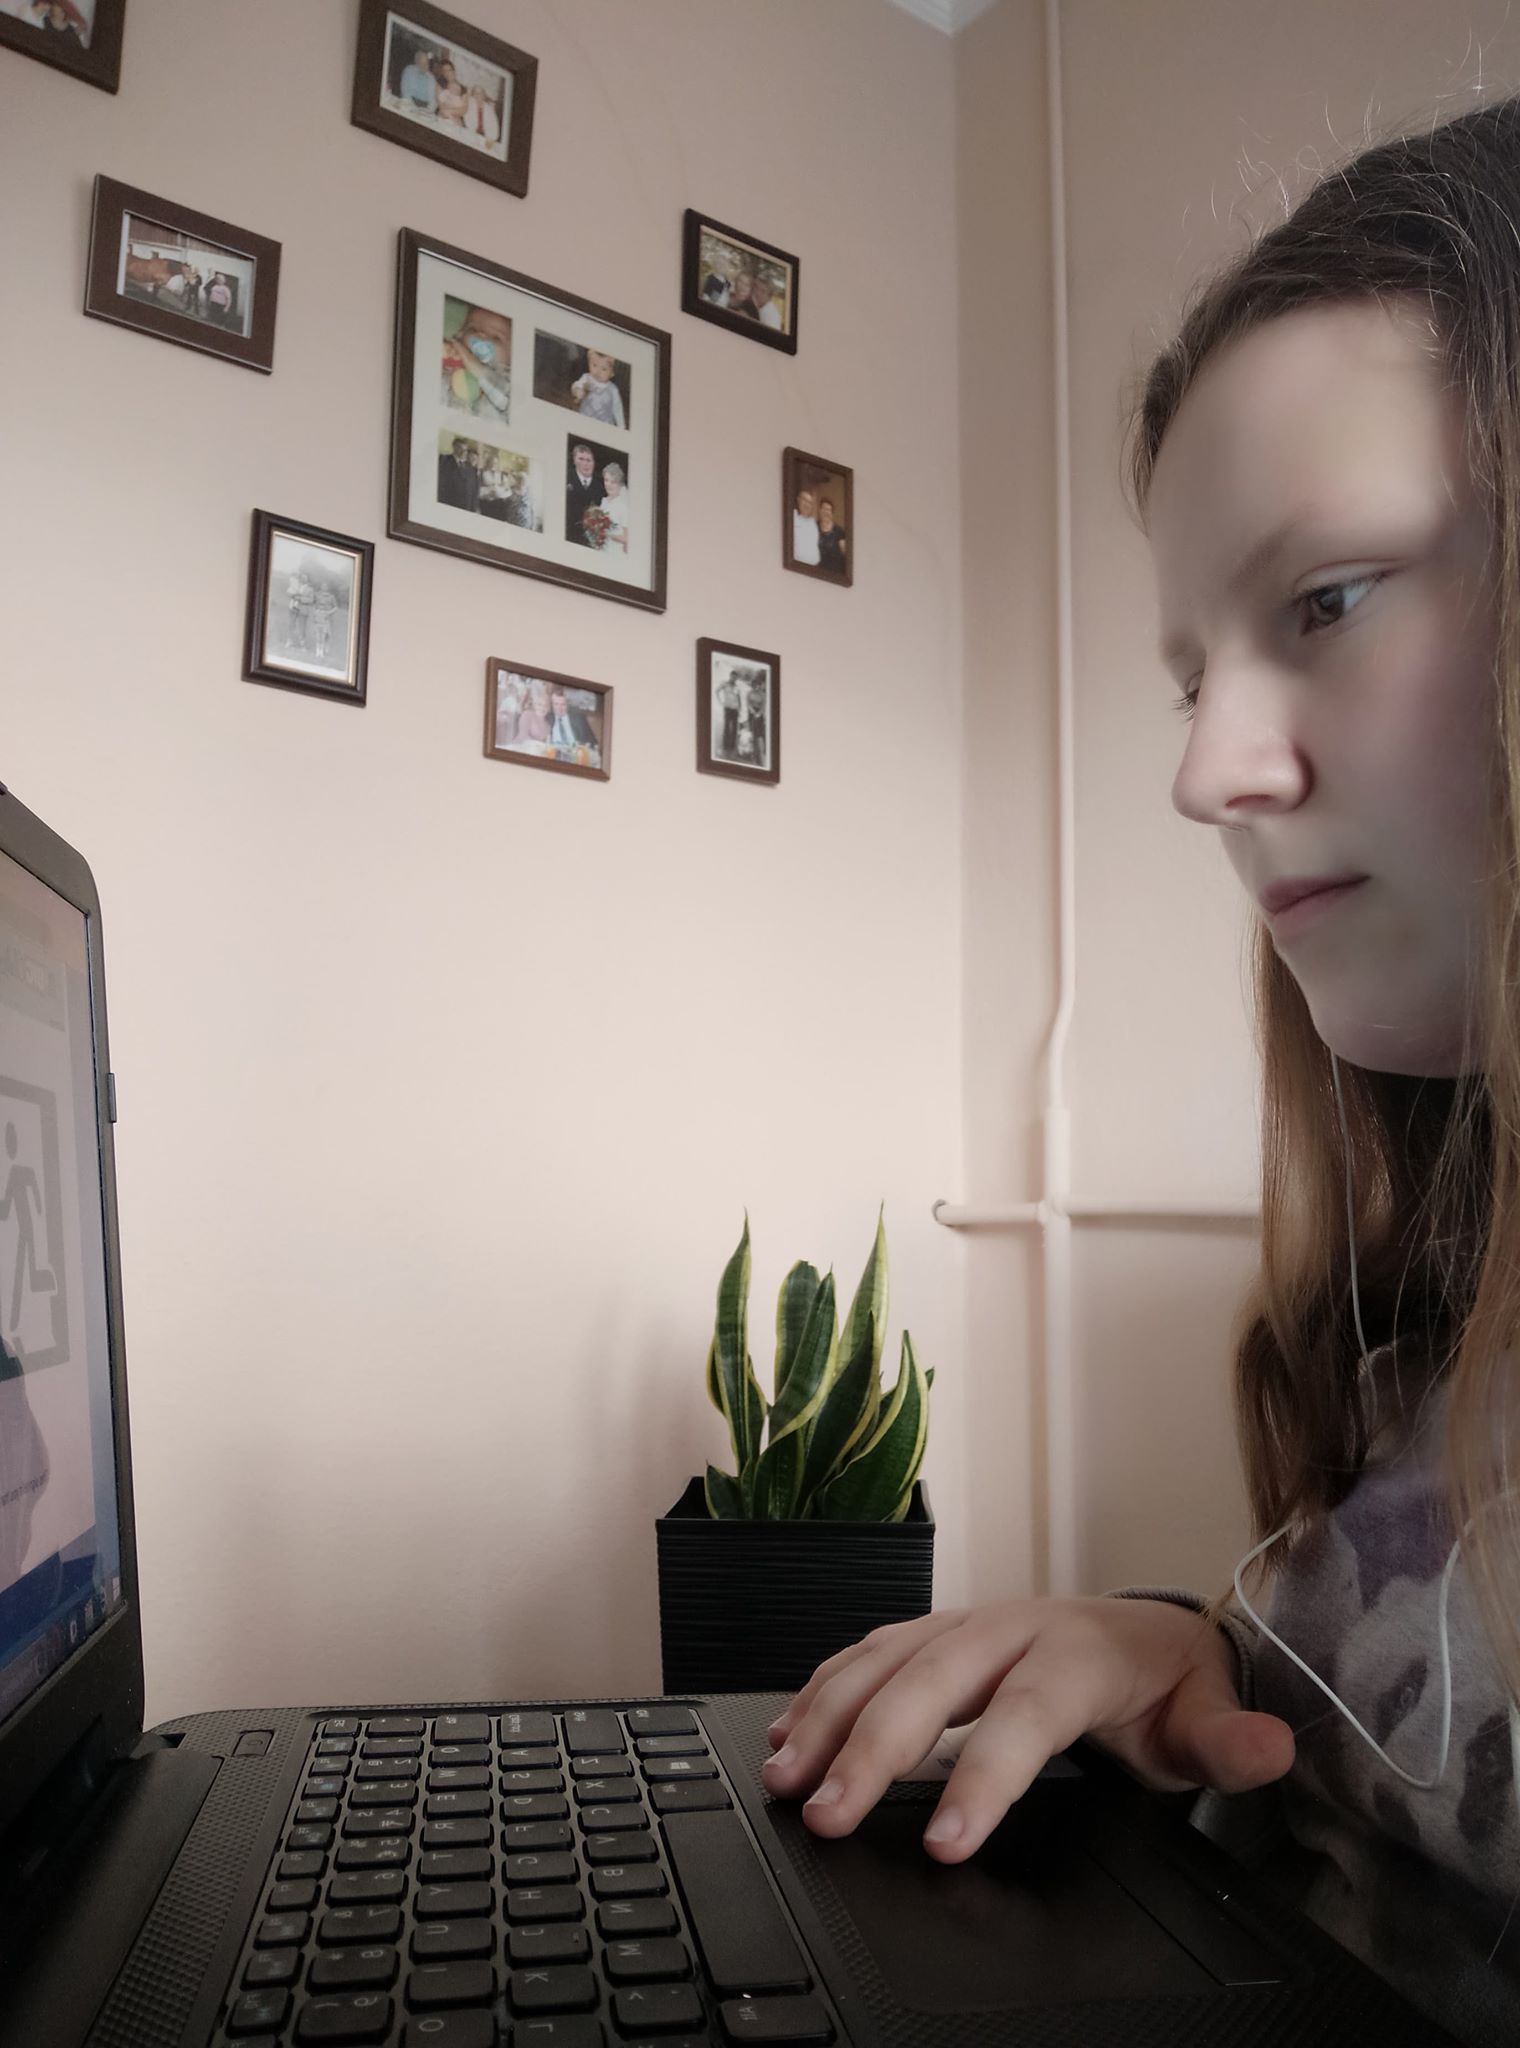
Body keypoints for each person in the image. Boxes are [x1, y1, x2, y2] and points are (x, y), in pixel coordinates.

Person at [761, 95, 1520, 2047]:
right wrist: (1188, 1658)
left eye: (1325, 599)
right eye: (1194, 674)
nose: (1203, 771)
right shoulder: (1433, 1293)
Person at [441, 304, 511, 421]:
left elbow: (508, 404)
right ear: (460, 336)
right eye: (473, 330)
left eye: (496, 337)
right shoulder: (448, 371)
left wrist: (480, 371)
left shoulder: (507, 385)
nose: (481, 336)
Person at [570, 350, 627, 431]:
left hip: (604, 425)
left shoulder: (613, 389)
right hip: (585, 418)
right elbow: (575, 386)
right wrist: (577, 391)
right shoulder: (586, 378)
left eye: (604, 369)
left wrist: (621, 426)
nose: (597, 371)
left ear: (612, 373)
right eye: (594, 365)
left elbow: (617, 408)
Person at [565, 442, 601, 547]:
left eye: (588, 460)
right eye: (581, 459)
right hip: (567, 535)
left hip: (589, 540)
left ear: (593, 462)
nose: (585, 464)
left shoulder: (600, 486)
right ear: (574, 460)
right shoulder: (566, 477)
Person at [437, 437, 479, 513]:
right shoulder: (444, 461)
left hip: (467, 508)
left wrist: (473, 508)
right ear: (454, 447)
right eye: (460, 448)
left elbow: (474, 490)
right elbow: (440, 485)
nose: (463, 452)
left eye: (465, 449)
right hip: (449, 505)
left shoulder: (470, 467)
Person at [598, 462, 629, 554]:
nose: (608, 484)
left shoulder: (623, 506)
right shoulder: (604, 501)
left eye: (613, 482)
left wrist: (608, 535)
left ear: (620, 484)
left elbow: (627, 538)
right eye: (606, 480)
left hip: (615, 553)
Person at [397, 45, 435, 115]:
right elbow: (405, 93)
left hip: (425, 109)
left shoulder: (431, 78)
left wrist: (428, 110)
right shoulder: (409, 70)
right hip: (409, 104)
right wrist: (414, 109)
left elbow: (432, 99)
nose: (424, 66)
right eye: (421, 63)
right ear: (416, 61)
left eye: (426, 63)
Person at [433, 58, 468, 131]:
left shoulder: (463, 89)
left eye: (450, 70)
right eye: (445, 71)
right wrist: (452, 113)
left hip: (457, 119)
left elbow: (464, 109)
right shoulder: (440, 85)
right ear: (442, 73)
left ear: (454, 71)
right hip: (442, 116)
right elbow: (441, 107)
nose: (448, 73)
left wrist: (450, 112)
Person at [816, 497, 848, 576]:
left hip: (835, 573)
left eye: (829, 510)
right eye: (824, 509)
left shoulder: (839, 531)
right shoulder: (813, 526)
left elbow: (845, 554)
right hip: (817, 572)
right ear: (819, 510)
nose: (826, 512)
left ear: (832, 513)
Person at [791, 487, 820, 567]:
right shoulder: (793, 517)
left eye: (810, 502)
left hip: (814, 568)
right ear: (798, 500)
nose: (807, 505)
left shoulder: (813, 522)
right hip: (796, 566)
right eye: (804, 500)